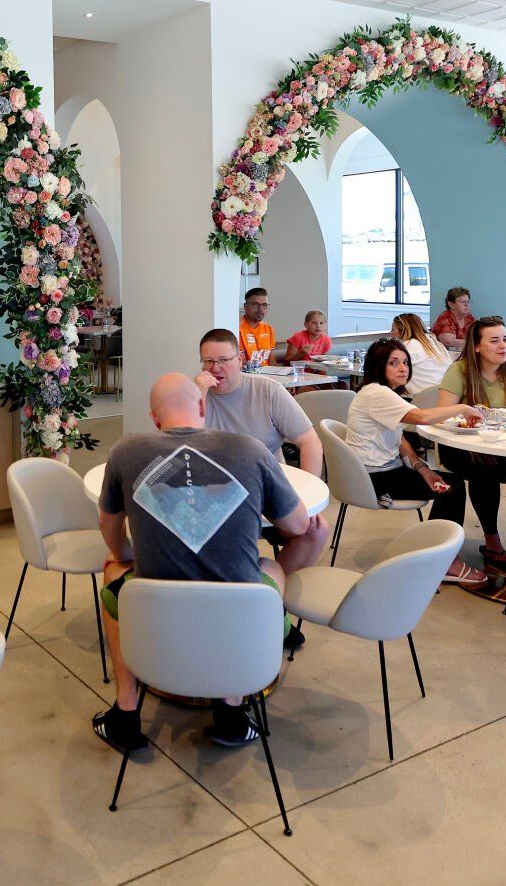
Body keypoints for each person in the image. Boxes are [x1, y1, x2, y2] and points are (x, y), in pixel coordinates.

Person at [93, 373, 330, 753]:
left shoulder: (125, 450)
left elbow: (108, 523)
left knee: (113, 571)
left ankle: (125, 711)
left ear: (154, 418)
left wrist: (123, 555)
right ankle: (232, 711)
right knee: (270, 566)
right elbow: (299, 525)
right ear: (203, 407)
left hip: (156, 603)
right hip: (236, 604)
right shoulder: (250, 450)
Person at [343, 338, 493, 588]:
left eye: (405, 362)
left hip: (381, 470)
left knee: (445, 480)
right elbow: (422, 417)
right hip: (374, 479)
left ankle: (436, 552)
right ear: (378, 366)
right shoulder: (377, 394)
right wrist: (462, 407)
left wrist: (421, 468)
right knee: (453, 486)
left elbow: (398, 436)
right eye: (393, 363)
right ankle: (444, 561)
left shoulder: (381, 393)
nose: (403, 368)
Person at [433, 316, 506, 567]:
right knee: (484, 470)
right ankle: (492, 539)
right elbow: (443, 414)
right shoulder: (460, 371)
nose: (503, 346)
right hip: (464, 447)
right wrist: (465, 411)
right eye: (494, 341)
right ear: (476, 346)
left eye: (505, 339)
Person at [195, 328, 321, 475]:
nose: (215, 368)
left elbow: (310, 442)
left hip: (267, 483)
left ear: (239, 361)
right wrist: (196, 399)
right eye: (209, 361)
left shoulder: (268, 390)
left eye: (223, 360)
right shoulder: (194, 394)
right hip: (213, 485)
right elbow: (177, 452)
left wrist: (306, 494)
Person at [391, 312, 450, 391]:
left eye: (393, 329)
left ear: (402, 331)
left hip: (416, 398)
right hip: (438, 394)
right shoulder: (437, 344)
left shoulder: (409, 345)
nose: (390, 333)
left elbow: (389, 370)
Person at [238, 287, 277, 367]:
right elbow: (243, 366)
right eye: (256, 305)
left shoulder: (269, 329)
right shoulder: (237, 328)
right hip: (250, 376)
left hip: (268, 375)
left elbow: (272, 362)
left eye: (264, 305)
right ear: (245, 306)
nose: (261, 309)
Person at [432, 286, 473, 352]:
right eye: (462, 302)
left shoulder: (468, 317)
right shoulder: (445, 318)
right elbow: (449, 342)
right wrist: (474, 343)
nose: (467, 305)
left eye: (468, 301)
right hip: (445, 357)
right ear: (451, 305)